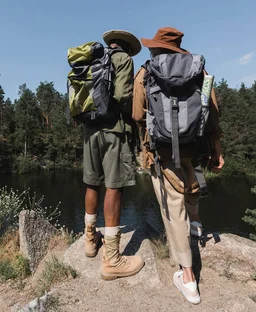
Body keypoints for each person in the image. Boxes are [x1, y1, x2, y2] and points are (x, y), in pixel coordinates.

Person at [133, 27, 224, 304]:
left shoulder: (146, 73)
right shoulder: (201, 72)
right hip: (195, 147)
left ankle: (187, 277)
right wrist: (217, 150)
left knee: (172, 206)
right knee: (193, 182)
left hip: (161, 151)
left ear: (156, 48)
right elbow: (213, 114)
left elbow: (137, 113)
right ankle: (195, 223)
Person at [83, 29, 145, 281]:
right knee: (114, 187)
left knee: (91, 182)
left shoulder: (92, 60)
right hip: (113, 130)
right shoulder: (123, 60)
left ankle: (89, 240)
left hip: (90, 130)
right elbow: (121, 95)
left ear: (110, 44)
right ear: (128, 48)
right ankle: (112, 259)